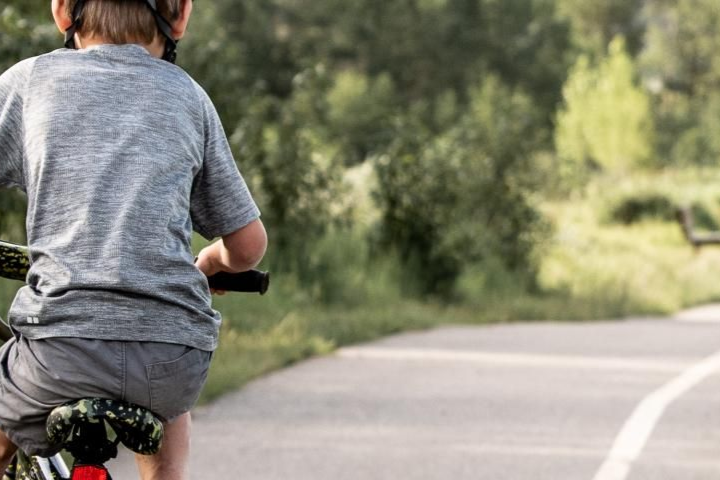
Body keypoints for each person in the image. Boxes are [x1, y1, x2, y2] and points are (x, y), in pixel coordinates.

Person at [0, 0, 267, 478]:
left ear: (62, 10)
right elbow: (247, 247)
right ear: (181, 15)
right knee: (169, 419)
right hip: (170, 361)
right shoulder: (189, 97)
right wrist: (209, 263)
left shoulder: (29, 82)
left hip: (58, 351)